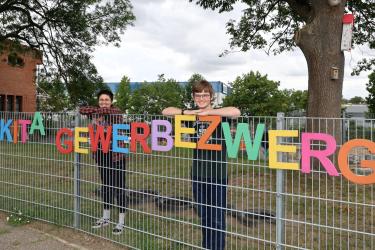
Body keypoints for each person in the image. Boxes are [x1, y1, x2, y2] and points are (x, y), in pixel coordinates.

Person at [162, 80, 240, 250]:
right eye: (198, 95)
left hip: (217, 174)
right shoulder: (192, 117)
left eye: (205, 94)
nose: (202, 98)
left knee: (217, 218)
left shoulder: (221, 115)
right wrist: (188, 111)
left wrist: (210, 112)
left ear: (211, 97)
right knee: (204, 216)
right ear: (194, 97)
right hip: (198, 174)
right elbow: (166, 111)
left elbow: (236, 111)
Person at [79, 89, 127, 235]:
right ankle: (105, 218)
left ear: (111, 101)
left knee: (119, 187)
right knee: (106, 186)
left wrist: (99, 110)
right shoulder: (95, 111)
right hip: (101, 154)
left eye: (107, 100)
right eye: (101, 100)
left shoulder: (116, 112)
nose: (104, 102)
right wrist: (97, 110)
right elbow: (82, 109)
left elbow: (109, 113)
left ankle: (121, 221)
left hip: (116, 155)